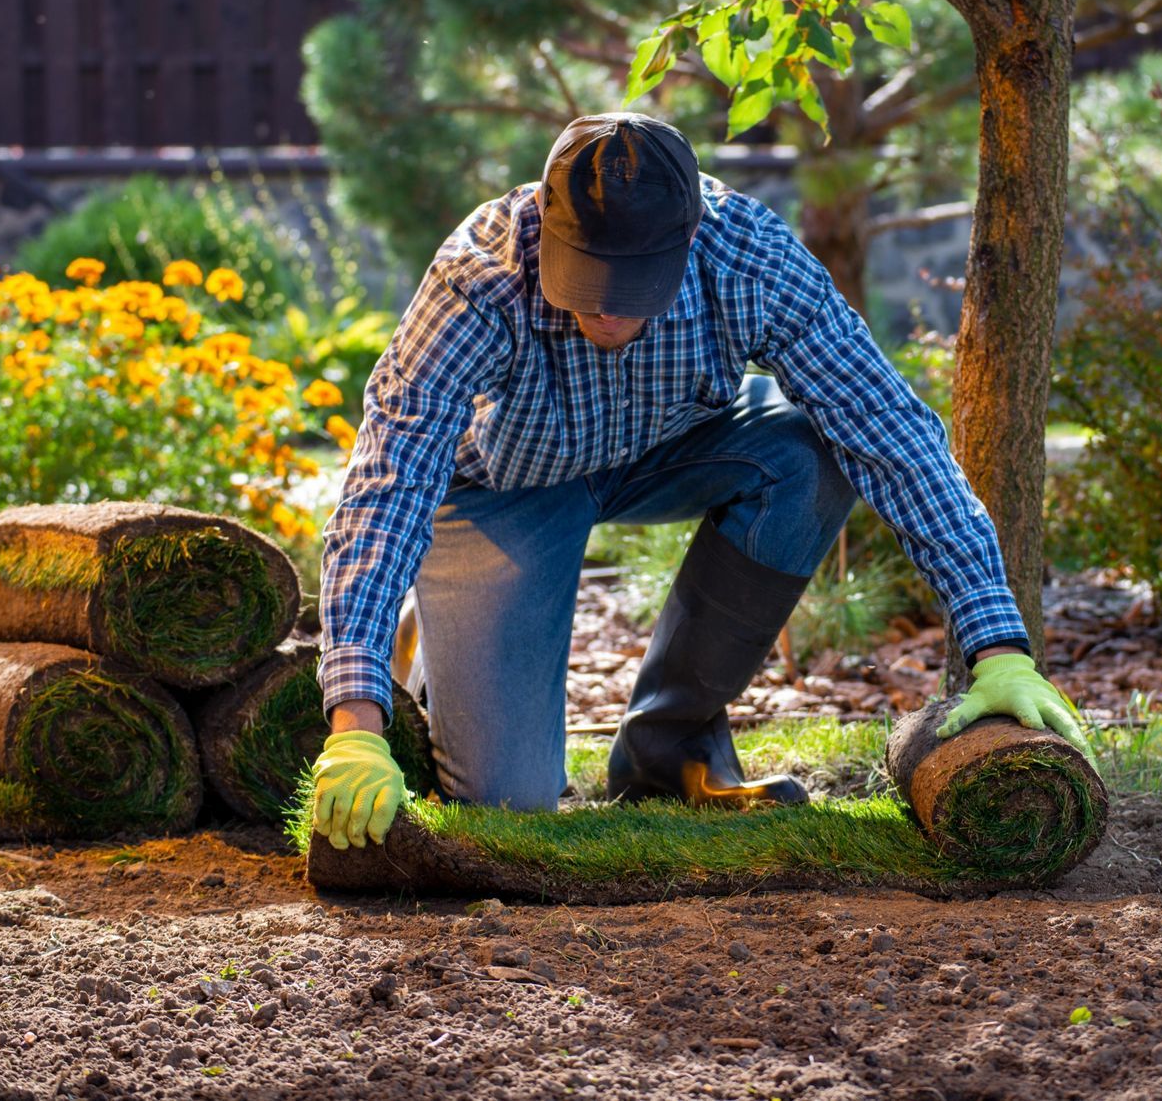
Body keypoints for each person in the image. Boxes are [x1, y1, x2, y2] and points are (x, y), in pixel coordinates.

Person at [308, 112, 1088, 851]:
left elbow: (887, 428)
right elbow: (388, 483)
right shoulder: (478, 280)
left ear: (689, 238)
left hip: (668, 446)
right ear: (547, 227)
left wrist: (998, 645)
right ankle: (422, 635)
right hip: (504, 488)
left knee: (815, 445)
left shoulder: (745, 255)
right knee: (509, 807)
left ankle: (668, 747)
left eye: (635, 282)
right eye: (586, 276)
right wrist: (354, 723)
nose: (608, 309)